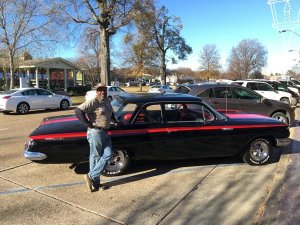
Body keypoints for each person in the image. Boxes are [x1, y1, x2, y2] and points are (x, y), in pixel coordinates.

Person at [75, 84, 118, 192]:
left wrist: (115, 121)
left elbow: (110, 112)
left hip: (105, 132)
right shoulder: (93, 102)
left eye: (104, 90)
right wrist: (88, 124)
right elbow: (78, 111)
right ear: (96, 91)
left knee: (108, 155)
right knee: (95, 157)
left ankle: (91, 176)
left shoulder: (107, 100)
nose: (102, 92)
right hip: (96, 132)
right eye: (100, 90)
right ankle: (95, 183)